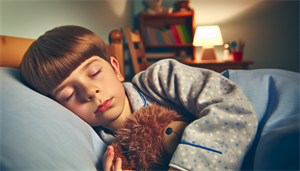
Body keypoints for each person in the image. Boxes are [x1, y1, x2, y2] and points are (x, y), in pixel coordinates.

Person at [20, 25, 258, 171]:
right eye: (68, 94)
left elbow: (231, 105)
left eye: (95, 73)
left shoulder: (161, 77)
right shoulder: (109, 152)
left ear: (115, 68)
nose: (90, 91)